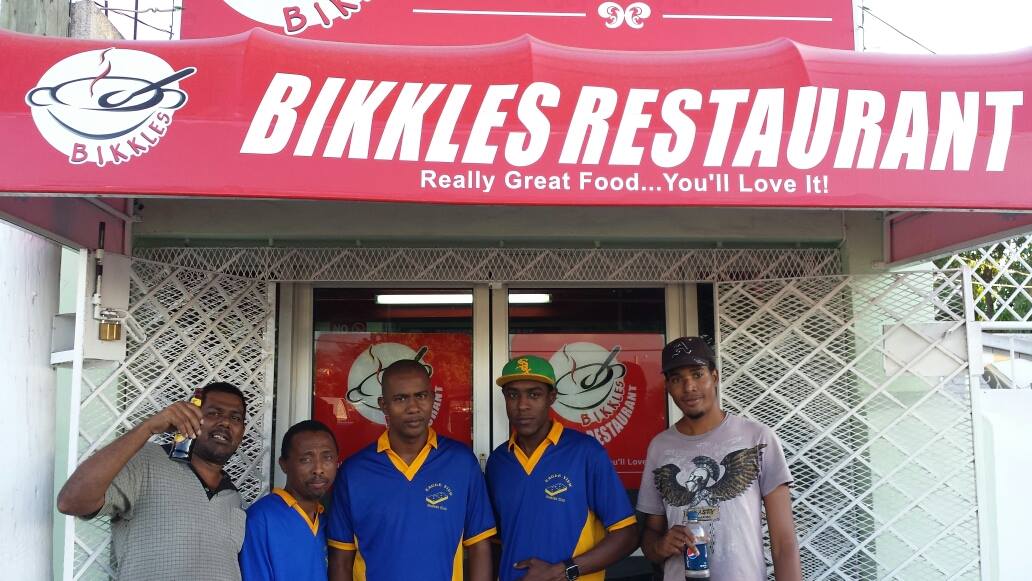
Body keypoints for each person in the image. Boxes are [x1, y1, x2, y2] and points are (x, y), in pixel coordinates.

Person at [637, 337, 802, 581]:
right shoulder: (660, 448)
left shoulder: (756, 438)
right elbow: (651, 535)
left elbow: (784, 542)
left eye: (697, 374)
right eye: (677, 379)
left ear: (714, 376)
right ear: (668, 387)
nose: (689, 387)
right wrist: (661, 546)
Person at [56, 382, 248, 581]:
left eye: (235, 417)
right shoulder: (147, 461)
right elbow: (72, 501)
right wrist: (148, 428)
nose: (225, 422)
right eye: (214, 413)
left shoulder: (233, 497)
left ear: (242, 431)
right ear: (191, 416)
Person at [327, 359, 496, 581]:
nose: (413, 407)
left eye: (421, 396)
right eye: (400, 398)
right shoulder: (354, 472)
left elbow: (479, 546)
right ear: (383, 404)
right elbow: (341, 559)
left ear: (432, 398)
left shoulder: (462, 463)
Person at [486, 355, 637, 581]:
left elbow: (627, 535)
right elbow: (495, 541)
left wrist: (563, 570)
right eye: (513, 395)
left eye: (534, 394)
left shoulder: (585, 452)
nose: (522, 405)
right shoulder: (498, 461)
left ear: (552, 397)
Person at [240, 420, 339, 581]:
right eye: (306, 459)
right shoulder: (261, 519)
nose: (318, 469)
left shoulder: (331, 520)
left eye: (327, 458)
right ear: (283, 464)